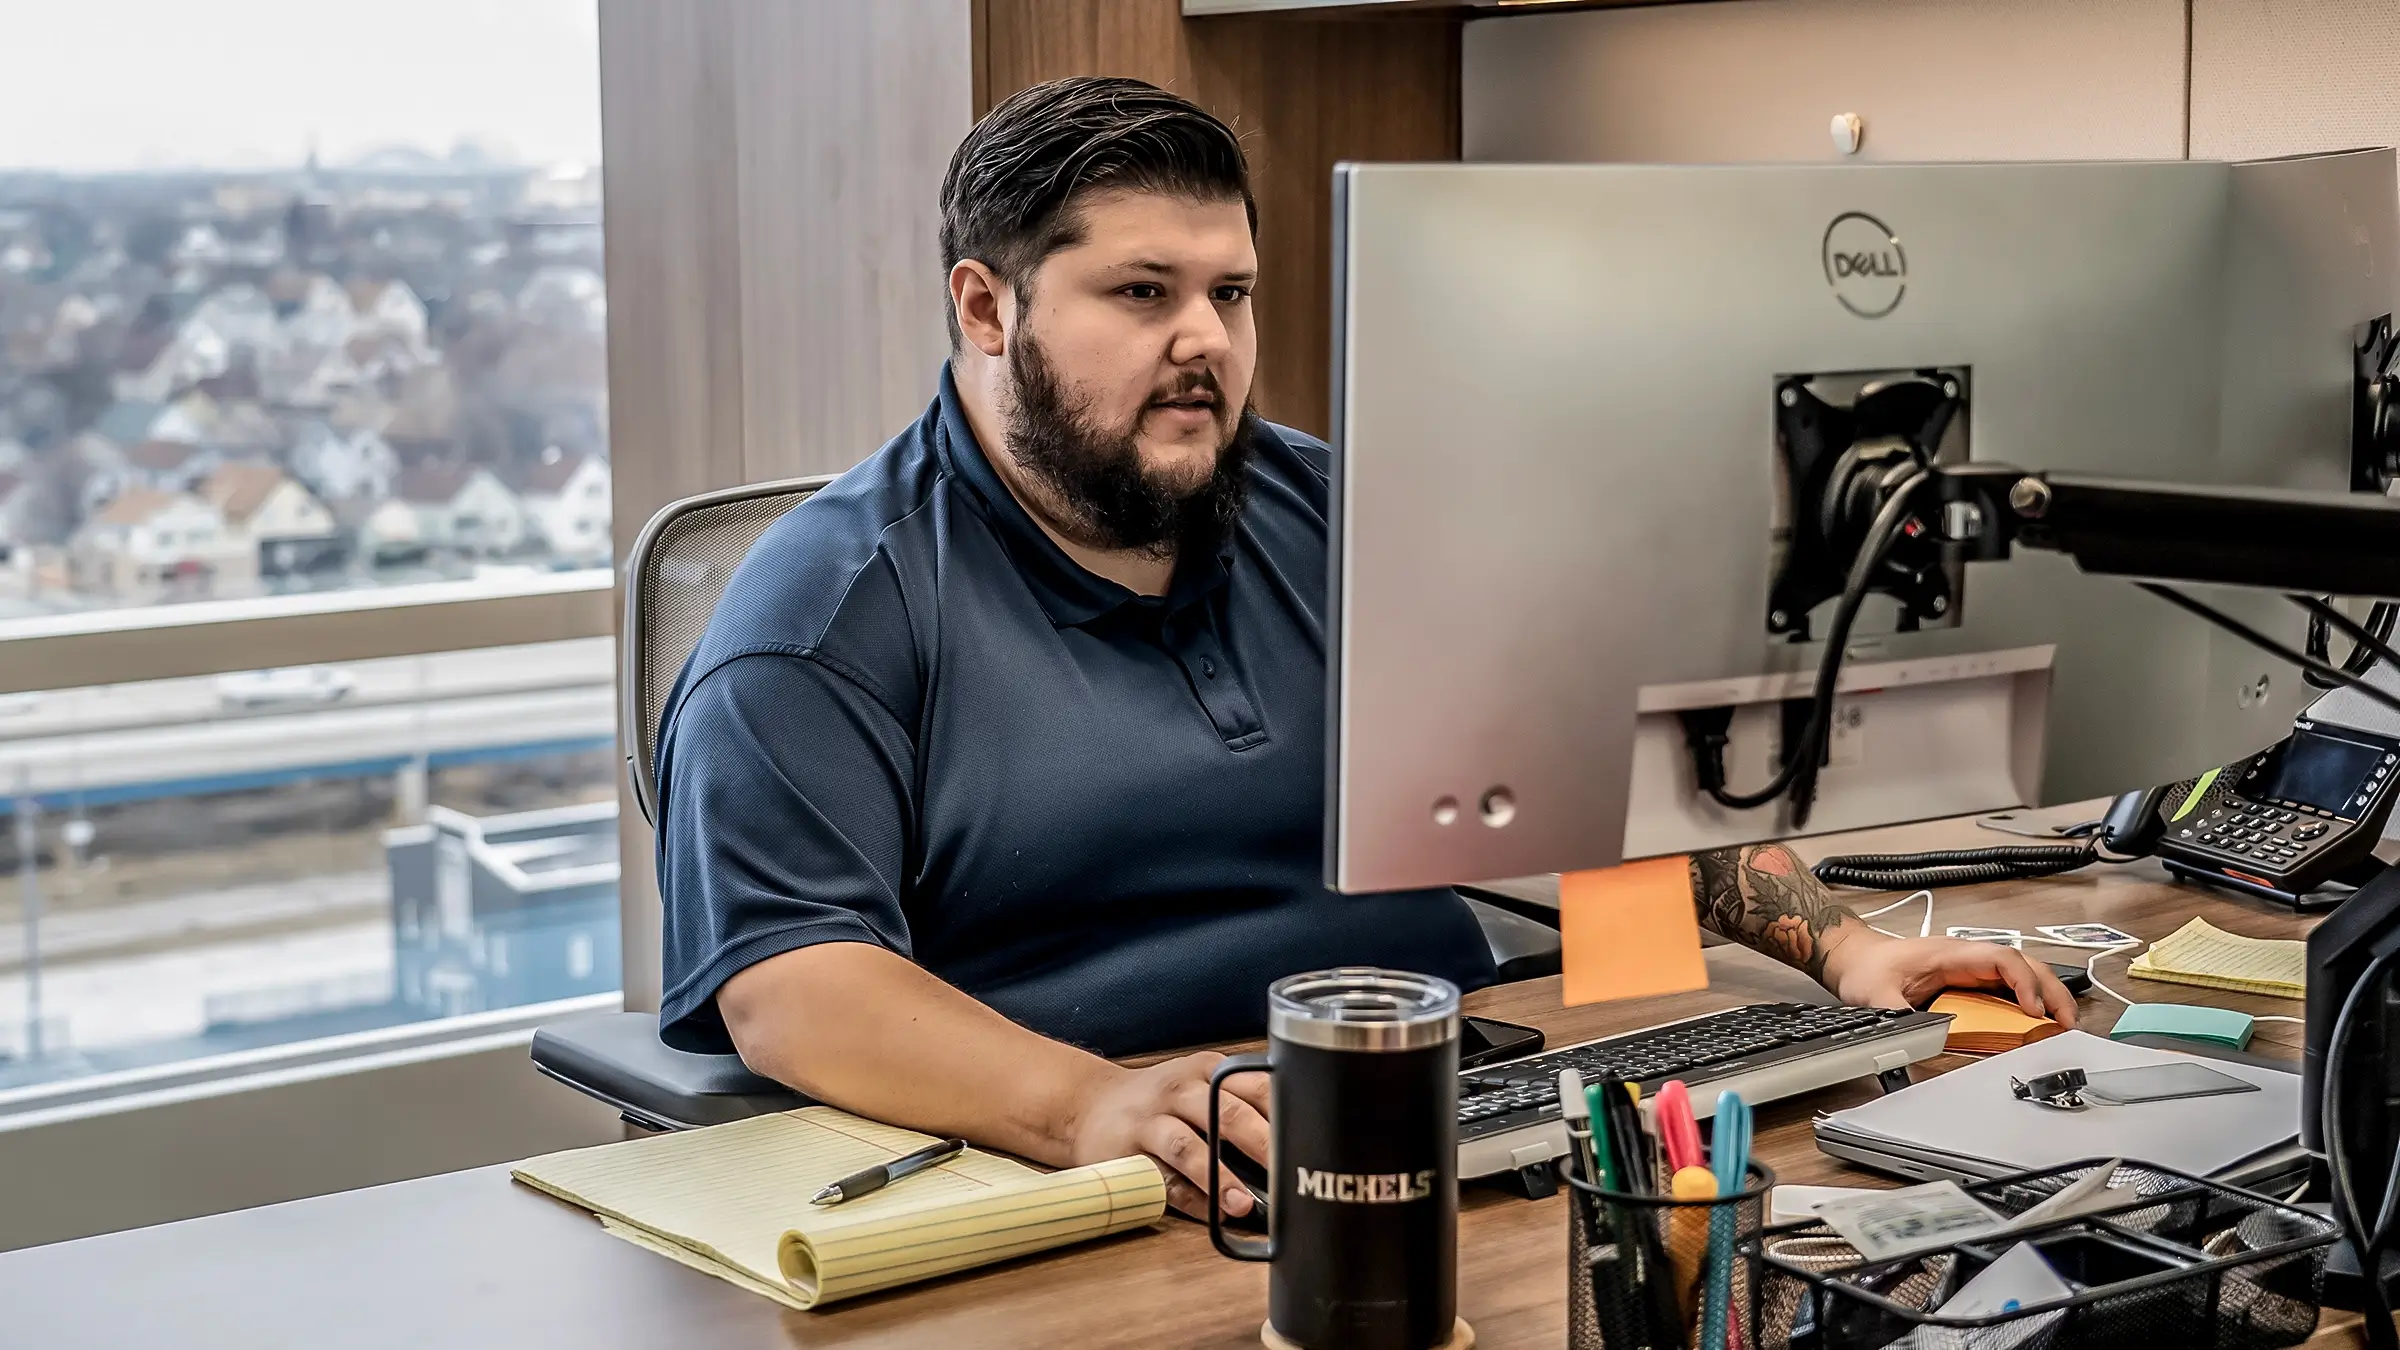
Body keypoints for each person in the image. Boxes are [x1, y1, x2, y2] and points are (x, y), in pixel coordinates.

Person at [652, 76, 2076, 1220]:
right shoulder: (821, 618)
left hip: (1456, 1119)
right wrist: (1089, 1104)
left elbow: (1599, 759)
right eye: (1143, 293)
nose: (1205, 339)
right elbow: (794, 982)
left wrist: (1847, 948)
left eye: (1234, 292)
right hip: (1111, 1176)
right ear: (985, 306)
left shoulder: (1337, 511)